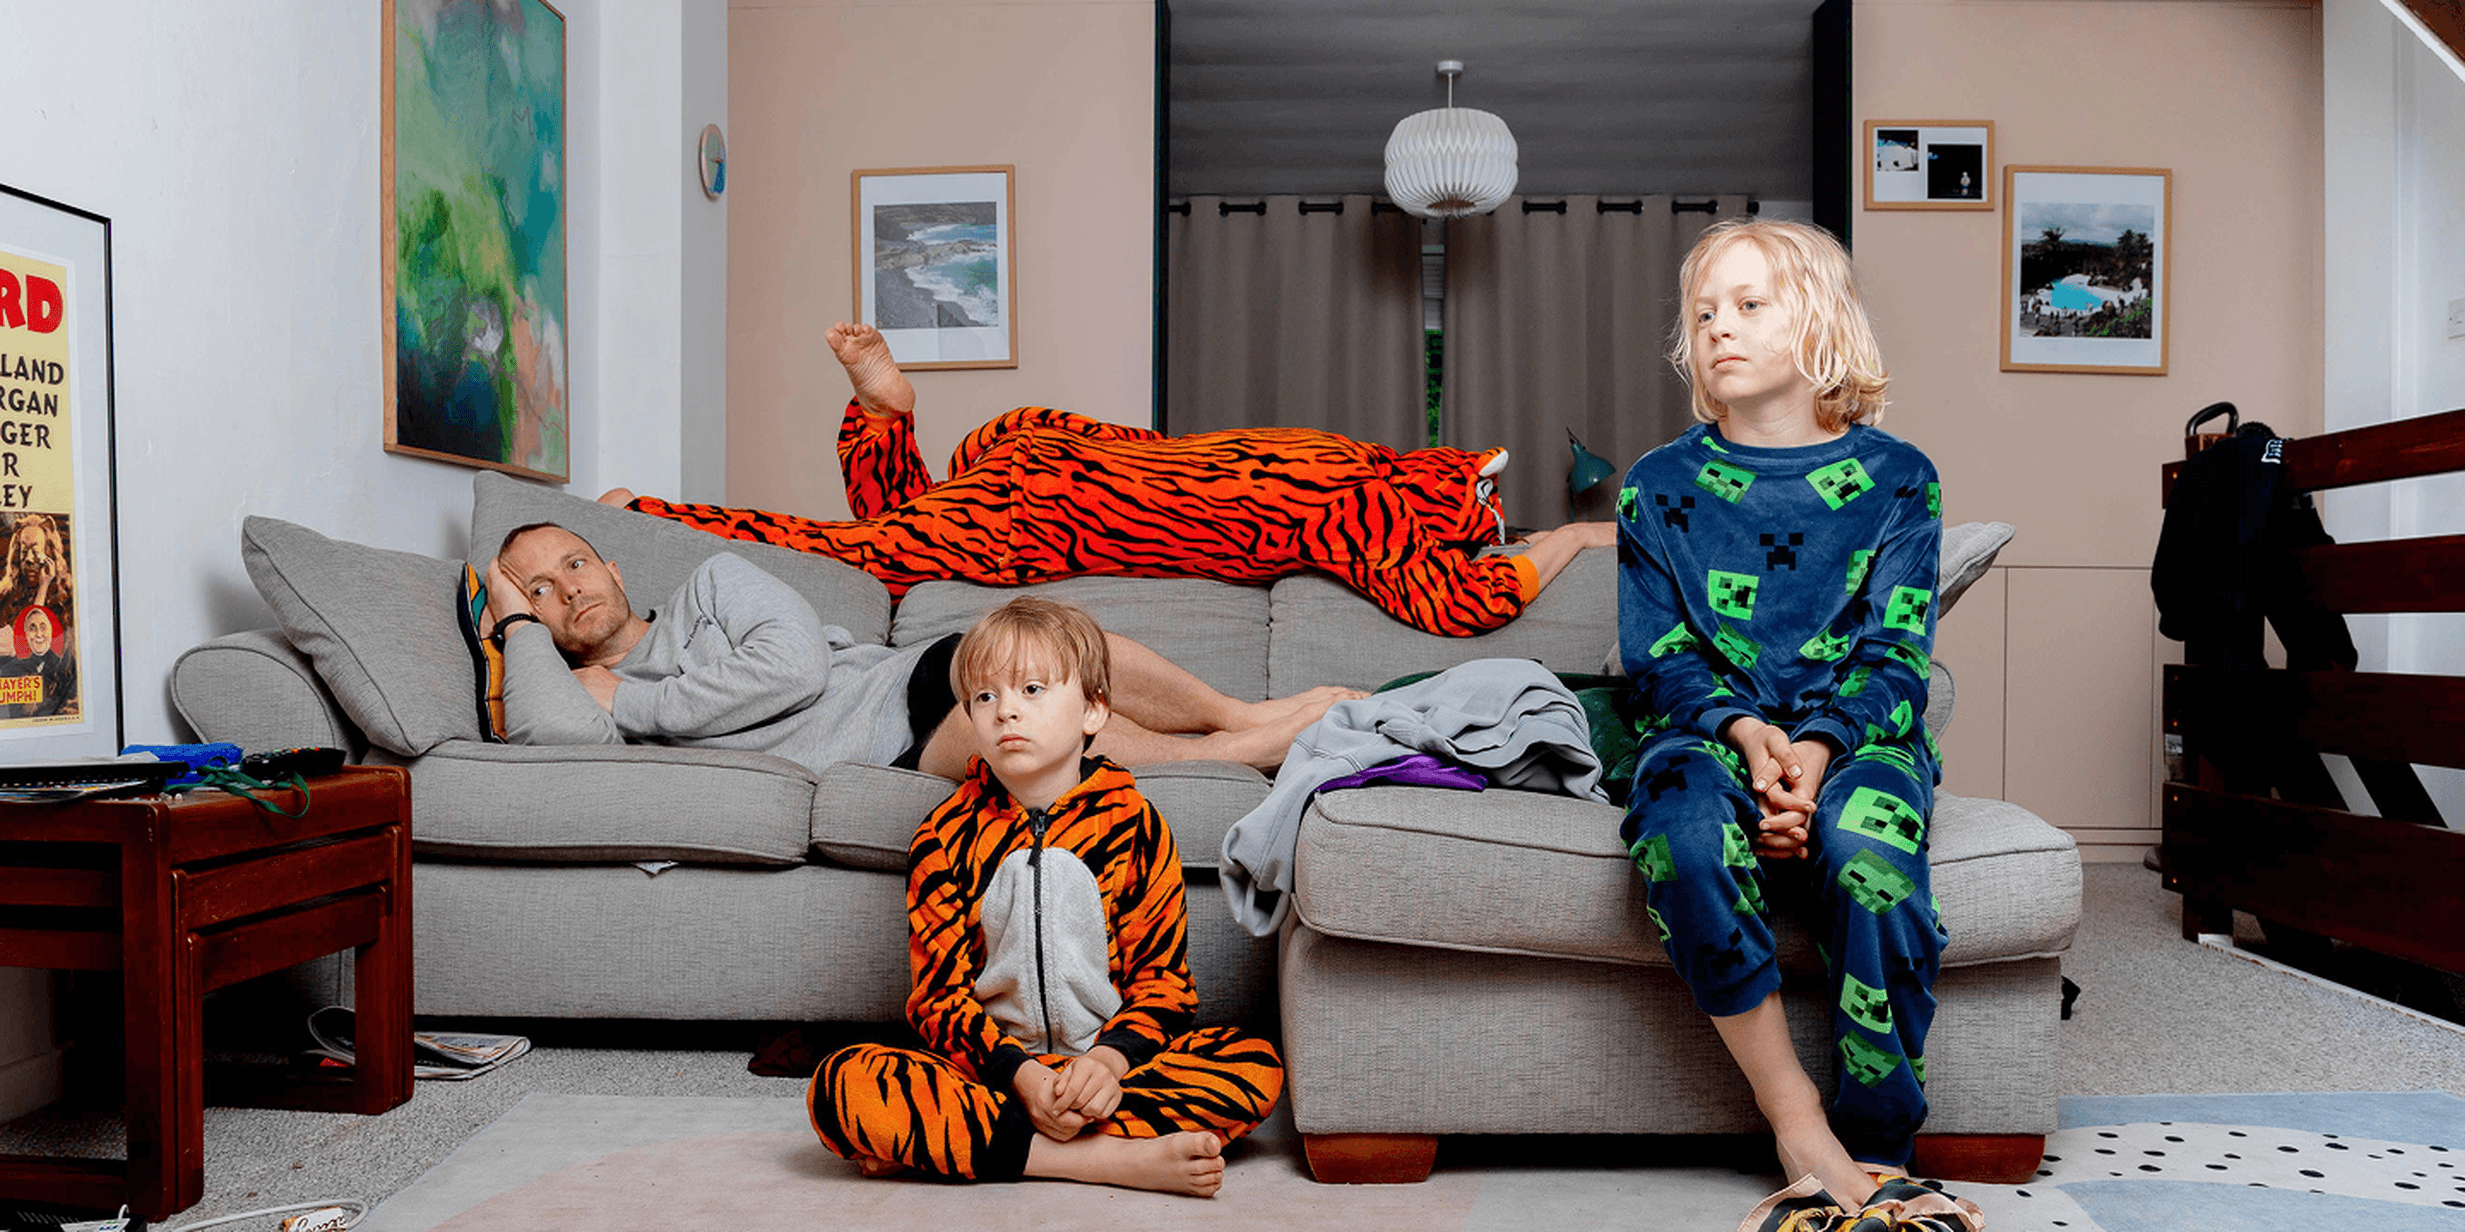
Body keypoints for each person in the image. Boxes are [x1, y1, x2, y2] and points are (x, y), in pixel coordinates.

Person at [1615, 219, 1980, 1229]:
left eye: (1745, 305)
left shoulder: (1899, 478)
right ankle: (1795, 1121)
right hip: (1707, 739)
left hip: (1856, 739)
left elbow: (1894, 654)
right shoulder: (1656, 486)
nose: (1714, 330)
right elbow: (1658, 660)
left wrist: (1815, 753)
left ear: (1815, 320)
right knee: (1684, 839)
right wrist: (1745, 738)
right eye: (1700, 314)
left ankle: (1877, 1150)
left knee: (1869, 854)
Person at [603, 322, 1617, 638]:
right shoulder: (1372, 511)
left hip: (1050, 450)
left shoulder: (1356, 459)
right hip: (1061, 510)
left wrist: (1553, 533)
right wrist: (1574, 539)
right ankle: (642, 516)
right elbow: (1463, 600)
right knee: (864, 554)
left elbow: (1466, 572)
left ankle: (884, 414)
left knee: (901, 535)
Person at [809, 597, 1282, 1194]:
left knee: (1254, 1062)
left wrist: (1107, 1063)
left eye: (1032, 690)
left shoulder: (1135, 825)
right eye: (985, 697)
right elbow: (938, 1002)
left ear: (1093, 710)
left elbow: (1163, 987)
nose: (1006, 710)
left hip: (1111, 1072)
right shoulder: (942, 838)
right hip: (995, 1074)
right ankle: (1103, 1160)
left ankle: (972, 1147)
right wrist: (1024, 1077)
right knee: (844, 1083)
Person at [482, 522, 1354, 776]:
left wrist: (632, 700)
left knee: (1041, 642)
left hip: (899, 684)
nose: (570, 590)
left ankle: (1244, 721)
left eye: (575, 564)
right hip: (888, 749)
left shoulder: (711, 584)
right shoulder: (579, 695)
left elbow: (794, 667)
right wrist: (511, 619)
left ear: (614, 565)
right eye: (542, 590)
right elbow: (542, 736)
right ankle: (1248, 748)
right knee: (1012, 730)